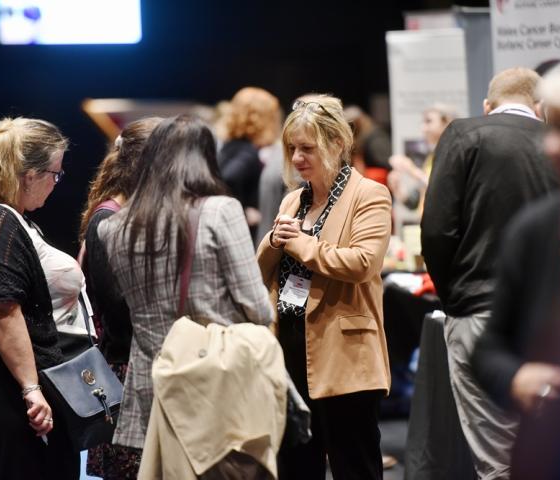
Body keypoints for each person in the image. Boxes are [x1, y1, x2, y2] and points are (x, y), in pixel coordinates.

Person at [97, 115, 274, 470]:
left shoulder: (113, 228)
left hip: (151, 384)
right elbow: (258, 308)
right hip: (215, 382)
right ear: (207, 157)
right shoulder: (221, 211)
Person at [420, 67, 560, 479]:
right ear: (541, 108)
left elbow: (436, 229)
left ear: (487, 105)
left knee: (497, 462)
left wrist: (453, 298)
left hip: (478, 314)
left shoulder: (465, 134)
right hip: (555, 323)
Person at [472, 56, 560, 480]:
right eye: (554, 127)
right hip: (554, 456)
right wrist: (518, 377)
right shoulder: (535, 230)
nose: (553, 146)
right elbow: (489, 350)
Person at [257, 93, 392, 480]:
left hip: (345, 352)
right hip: (290, 346)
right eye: (292, 148)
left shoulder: (369, 195)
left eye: (307, 148)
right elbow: (261, 270)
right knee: (296, 466)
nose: (297, 158)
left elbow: (362, 263)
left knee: (355, 465)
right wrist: (274, 242)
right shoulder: (291, 201)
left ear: (336, 144)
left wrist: (300, 243)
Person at [0, 117, 79, 479]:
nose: (56, 183)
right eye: (55, 174)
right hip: (0, 380)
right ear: (29, 176)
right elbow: (1, 310)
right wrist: (31, 388)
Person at [79, 117, 162, 479]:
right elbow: (119, 310)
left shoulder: (133, 215)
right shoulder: (107, 221)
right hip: (126, 374)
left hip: (144, 366)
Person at [218, 86, 281, 238]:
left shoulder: (230, 146)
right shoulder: (248, 152)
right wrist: (243, 212)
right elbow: (229, 178)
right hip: (240, 234)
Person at [388, 103, 456, 211]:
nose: (423, 128)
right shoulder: (432, 156)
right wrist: (398, 190)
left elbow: (445, 192)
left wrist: (412, 170)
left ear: (446, 121)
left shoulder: (455, 153)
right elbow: (417, 201)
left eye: (428, 121)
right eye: (423, 122)